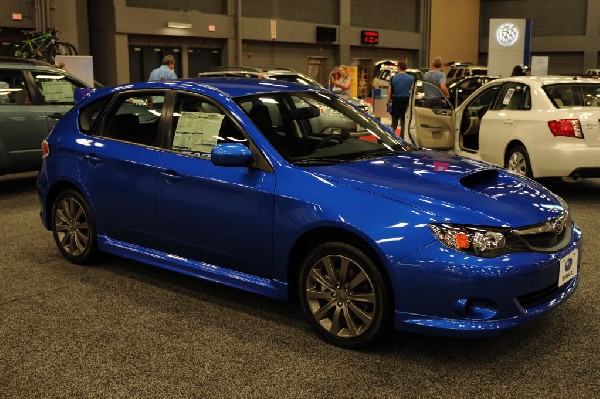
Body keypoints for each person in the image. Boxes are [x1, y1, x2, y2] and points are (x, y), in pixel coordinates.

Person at [386, 60, 414, 138]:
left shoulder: (393, 78)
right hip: (406, 102)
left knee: (394, 123)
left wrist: (389, 101)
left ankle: (391, 138)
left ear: (398, 67)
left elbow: (389, 91)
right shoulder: (411, 78)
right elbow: (412, 91)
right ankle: (402, 140)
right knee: (404, 123)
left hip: (396, 102)